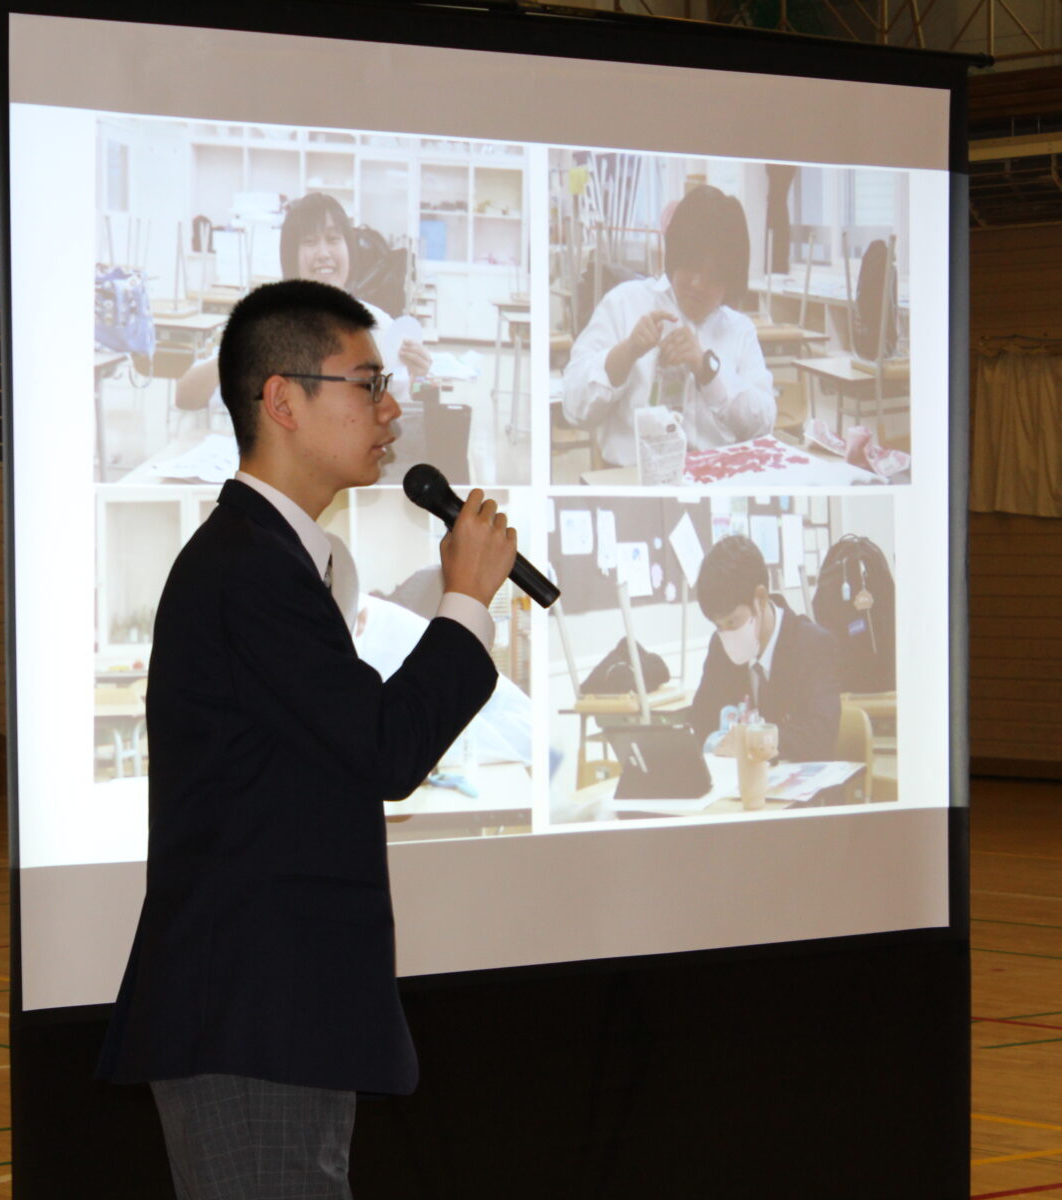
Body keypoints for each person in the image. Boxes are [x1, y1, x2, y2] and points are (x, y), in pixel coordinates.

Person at [99, 279, 517, 1199]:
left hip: (282, 1015)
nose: (392, 407)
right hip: (251, 1021)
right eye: (367, 383)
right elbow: (385, 749)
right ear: (281, 400)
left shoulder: (274, 560)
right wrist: (466, 602)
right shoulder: (246, 570)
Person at [561, 185, 775, 467]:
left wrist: (707, 370)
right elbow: (574, 408)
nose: (697, 284)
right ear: (673, 256)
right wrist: (627, 352)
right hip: (633, 479)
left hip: (715, 479)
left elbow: (763, 423)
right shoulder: (625, 303)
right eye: (690, 267)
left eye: (712, 276)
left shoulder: (739, 329)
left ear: (731, 279)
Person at [176, 192, 432, 413]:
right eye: (309, 242)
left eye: (333, 239)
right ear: (292, 256)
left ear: (349, 250)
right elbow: (186, 398)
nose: (323, 253)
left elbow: (399, 413)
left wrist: (417, 379)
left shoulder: (378, 326)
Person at [683, 533, 839, 763]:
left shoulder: (813, 645)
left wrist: (753, 741)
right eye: (718, 625)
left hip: (802, 790)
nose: (726, 633)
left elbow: (820, 736)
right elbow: (702, 722)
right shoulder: (720, 646)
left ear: (761, 598)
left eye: (732, 622)